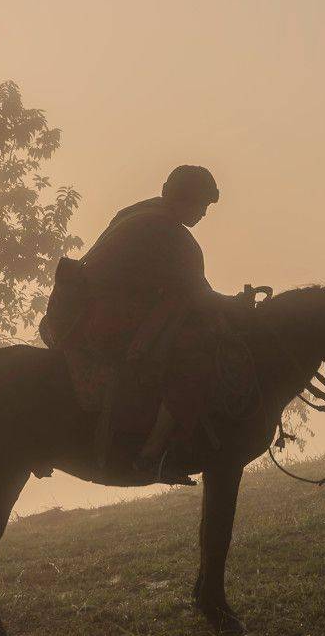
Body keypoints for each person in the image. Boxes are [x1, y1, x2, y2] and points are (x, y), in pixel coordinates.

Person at [43, 165, 251, 483]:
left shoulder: (138, 212)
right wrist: (236, 305)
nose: (204, 214)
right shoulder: (170, 233)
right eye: (202, 205)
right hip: (107, 321)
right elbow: (198, 295)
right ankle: (152, 454)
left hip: (80, 312)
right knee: (195, 361)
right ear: (186, 200)